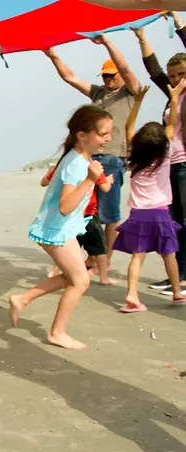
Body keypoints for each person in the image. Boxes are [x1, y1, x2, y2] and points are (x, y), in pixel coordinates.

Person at [9, 105, 112, 350]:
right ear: (82, 135)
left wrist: (98, 180)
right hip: (56, 230)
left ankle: (22, 298)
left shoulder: (82, 157)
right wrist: (90, 179)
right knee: (80, 281)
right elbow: (65, 206)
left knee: (75, 276)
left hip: (62, 228)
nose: (107, 138)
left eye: (109, 133)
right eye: (103, 134)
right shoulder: (76, 163)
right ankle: (57, 332)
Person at [44, 35, 139, 258]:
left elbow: (125, 67)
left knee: (109, 214)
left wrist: (106, 42)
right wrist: (52, 55)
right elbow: (70, 77)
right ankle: (83, 257)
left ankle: (102, 260)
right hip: (89, 158)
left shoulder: (129, 93)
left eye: (111, 76)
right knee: (82, 209)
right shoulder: (98, 93)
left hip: (113, 158)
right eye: (104, 76)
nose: (107, 80)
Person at [115, 83, 186, 311]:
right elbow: (173, 125)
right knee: (169, 255)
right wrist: (174, 99)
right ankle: (177, 292)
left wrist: (136, 102)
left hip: (138, 216)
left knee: (137, 257)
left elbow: (129, 127)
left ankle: (132, 295)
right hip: (160, 214)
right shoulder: (165, 153)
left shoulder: (133, 155)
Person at [134, 21, 186, 294]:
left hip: (185, 165)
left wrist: (179, 25)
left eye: (181, 74)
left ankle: (185, 275)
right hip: (172, 165)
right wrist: (141, 36)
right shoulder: (173, 95)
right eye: (173, 75)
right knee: (176, 222)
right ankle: (178, 273)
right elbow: (154, 71)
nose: (176, 80)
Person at [41, 163, 115, 284]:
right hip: (88, 214)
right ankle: (103, 277)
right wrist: (109, 181)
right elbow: (105, 188)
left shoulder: (62, 166)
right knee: (100, 248)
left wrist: (50, 171)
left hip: (69, 215)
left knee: (65, 244)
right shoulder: (93, 167)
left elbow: (44, 182)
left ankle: (55, 271)